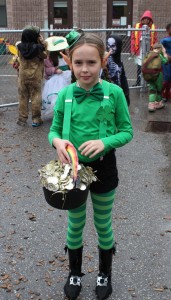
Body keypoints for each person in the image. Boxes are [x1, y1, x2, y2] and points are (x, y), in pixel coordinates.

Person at [48, 30, 133, 300]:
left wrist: (106, 142)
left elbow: (127, 131)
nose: (84, 69)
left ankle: (104, 273)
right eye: (78, 63)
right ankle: (74, 272)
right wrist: (58, 143)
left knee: (103, 223)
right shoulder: (66, 95)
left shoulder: (115, 93)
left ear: (104, 60)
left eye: (91, 63)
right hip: (73, 171)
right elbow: (54, 131)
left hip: (104, 169)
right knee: (75, 224)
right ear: (68, 61)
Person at [16, 25, 47, 127]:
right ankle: (36, 119)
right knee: (36, 96)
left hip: (23, 75)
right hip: (35, 75)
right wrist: (42, 41)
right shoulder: (39, 48)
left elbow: (18, 57)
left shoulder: (19, 46)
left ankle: (22, 119)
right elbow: (45, 55)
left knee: (23, 97)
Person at [42, 36, 71, 117]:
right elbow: (46, 70)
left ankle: (67, 111)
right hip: (56, 79)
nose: (61, 49)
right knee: (57, 96)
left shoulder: (66, 56)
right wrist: (55, 70)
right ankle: (58, 112)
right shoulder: (49, 58)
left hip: (68, 76)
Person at [131, 10, 157, 86]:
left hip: (149, 50)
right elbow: (133, 39)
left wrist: (154, 50)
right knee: (139, 66)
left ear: (150, 20)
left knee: (148, 66)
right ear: (142, 19)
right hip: (139, 49)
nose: (146, 20)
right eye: (144, 18)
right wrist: (133, 50)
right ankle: (138, 82)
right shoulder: (137, 26)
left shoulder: (152, 27)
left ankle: (148, 82)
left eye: (148, 19)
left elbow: (155, 39)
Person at [142, 43, 168, 112]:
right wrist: (164, 53)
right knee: (159, 89)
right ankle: (158, 103)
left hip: (149, 75)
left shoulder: (149, 54)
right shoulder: (159, 55)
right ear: (160, 49)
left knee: (152, 89)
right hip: (158, 75)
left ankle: (151, 105)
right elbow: (165, 61)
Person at [106, 35, 130, 106]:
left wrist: (126, 93)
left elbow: (123, 77)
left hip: (118, 93)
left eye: (113, 46)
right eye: (108, 45)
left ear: (118, 46)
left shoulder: (119, 61)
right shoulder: (105, 60)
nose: (110, 49)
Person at [160, 23, 171, 101]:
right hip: (167, 62)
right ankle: (161, 94)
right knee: (166, 78)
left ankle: (167, 94)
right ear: (167, 30)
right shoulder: (164, 40)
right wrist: (166, 55)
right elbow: (158, 48)